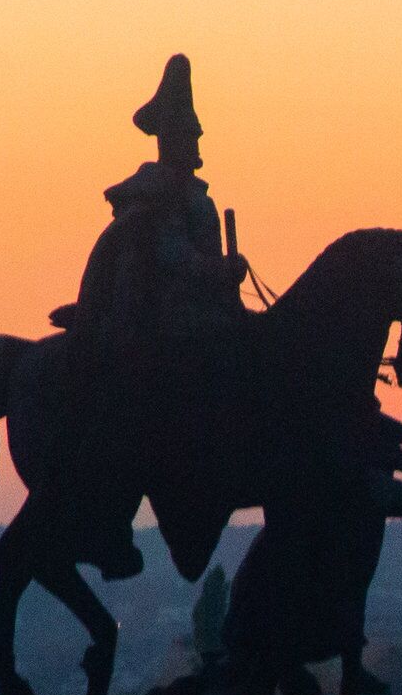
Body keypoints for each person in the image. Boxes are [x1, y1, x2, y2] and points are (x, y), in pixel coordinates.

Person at [46, 55, 250, 576]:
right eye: (191, 135)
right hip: (173, 318)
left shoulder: (188, 194)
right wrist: (220, 271)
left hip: (200, 310)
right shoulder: (160, 197)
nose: (198, 143)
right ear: (173, 138)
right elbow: (172, 257)